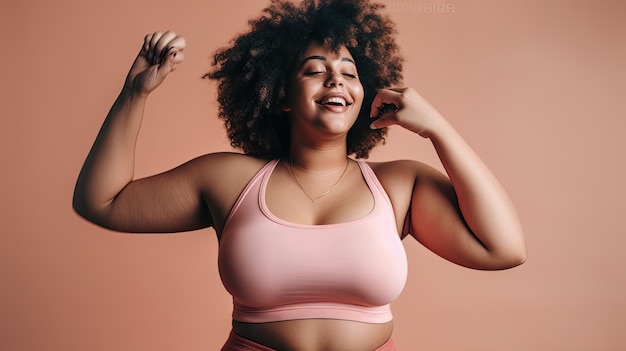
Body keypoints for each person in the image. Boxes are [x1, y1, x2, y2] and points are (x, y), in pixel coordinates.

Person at [73, 0, 527, 350]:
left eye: (349, 73)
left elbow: (503, 249)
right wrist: (134, 94)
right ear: (281, 95)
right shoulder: (229, 178)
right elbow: (102, 202)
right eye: (315, 71)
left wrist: (437, 128)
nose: (336, 81)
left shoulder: (399, 185)